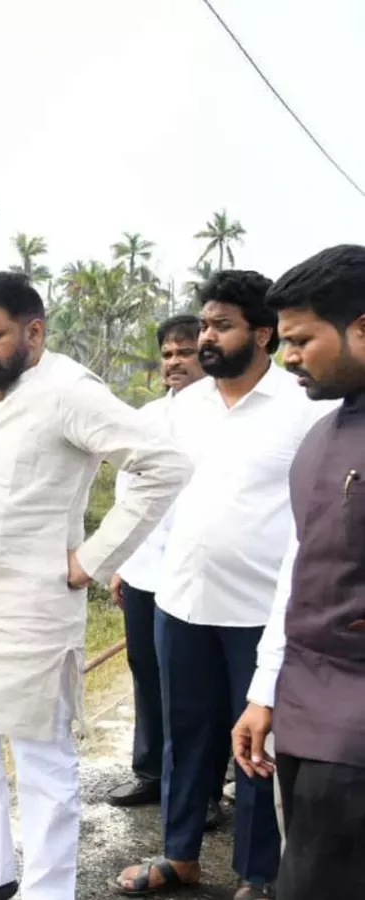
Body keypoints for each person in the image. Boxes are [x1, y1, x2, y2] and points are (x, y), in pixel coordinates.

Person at [0, 272, 191, 900]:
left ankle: (46, 891)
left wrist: (92, 559)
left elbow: (164, 464)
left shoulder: (71, 393)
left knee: (41, 755)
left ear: (34, 332)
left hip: (28, 606)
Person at [112, 271, 334, 899]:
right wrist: (127, 564)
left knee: (257, 743)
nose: (205, 336)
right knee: (187, 733)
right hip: (181, 600)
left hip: (263, 613)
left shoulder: (304, 409)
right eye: (203, 323)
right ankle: (179, 855)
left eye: (221, 325)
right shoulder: (185, 409)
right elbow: (154, 495)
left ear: (262, 334)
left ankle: (257, 874)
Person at [232, 244, 365, 899]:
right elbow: (299, 567)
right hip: (306, 713)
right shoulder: (320, 438)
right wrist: (265, 690)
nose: (287, 358)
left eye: (302, 340)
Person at [106, 314, 206, 809]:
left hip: (195, 572)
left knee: (191, 683)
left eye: (184, 352)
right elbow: (128, 494)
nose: (174, 362)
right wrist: (121, 562)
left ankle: (201, 789)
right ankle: (149, 772)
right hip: (146, 570)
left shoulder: (218, 418)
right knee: (144, 668)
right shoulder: (145, 418)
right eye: (167, 354)